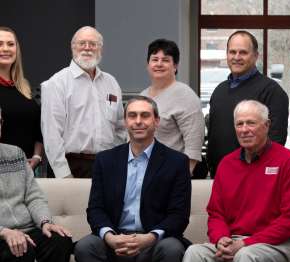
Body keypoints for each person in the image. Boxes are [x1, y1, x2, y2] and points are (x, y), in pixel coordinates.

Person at [174, 100, 290, 262]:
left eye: (251, 123)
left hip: (278, 244)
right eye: (239, 124)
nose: (244, 130)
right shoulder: (227, 164)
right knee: (194, 253)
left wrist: (247, 243)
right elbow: (216, 213)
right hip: (234, 241)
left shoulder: (289, 162)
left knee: (246, 256)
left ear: (266, 125)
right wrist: (220, 239)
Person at [74, 96, 191, 262]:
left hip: (153, 243)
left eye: (145, 116)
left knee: (173, 249)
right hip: (115, 241)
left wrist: (149, 238)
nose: (138, 121)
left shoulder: (176, 162)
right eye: (132, 116)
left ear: (156, 121)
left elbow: (179, 215)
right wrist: (110, 237)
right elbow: (95, 209)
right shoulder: (105, 160)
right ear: (125, 122)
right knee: (85, 246)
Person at [0, 106, 73, 262]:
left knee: (59, 241)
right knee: (20, 248)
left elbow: (33, 196)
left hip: (27, 228)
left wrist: (45, 222)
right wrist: (5, 232)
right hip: (2, 234)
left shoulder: (15, 154)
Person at [41, 26, 126, 178]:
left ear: (100, 48)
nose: (87, 48)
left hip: (107, 165)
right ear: (73, 47)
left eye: (93, 44)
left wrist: (116, 159)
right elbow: (51, 134)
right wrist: (64, 174)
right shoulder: (56, 83)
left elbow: (121, 126)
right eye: (82, 43)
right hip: (71, 166)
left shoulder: (111, 83)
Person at [207, 30, 289, 178]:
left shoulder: (271, 91)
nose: (236, 57)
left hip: (253, 176)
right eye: (232, 52)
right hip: (219, 175)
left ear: (256, 56)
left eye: (243, 52)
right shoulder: (220, 90)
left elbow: (276, 139)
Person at [141, 39, 205, 177]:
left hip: (171, 174)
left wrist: (183, 177)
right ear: (148, 65)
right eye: (154, 59)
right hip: (143, 172)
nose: (159, 64)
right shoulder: (143, 96)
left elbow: (193, 144)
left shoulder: (186, 96)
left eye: (165, 60)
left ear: (175, 66)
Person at [0, 26, 43, 170]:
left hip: (28, 172)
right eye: (0, 44)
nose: (5, 48)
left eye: (10, 44)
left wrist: (37, 157)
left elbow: (38, 130)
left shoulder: (26, 88)